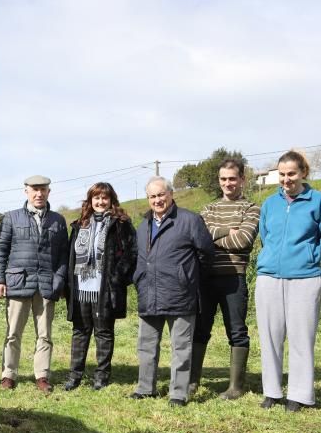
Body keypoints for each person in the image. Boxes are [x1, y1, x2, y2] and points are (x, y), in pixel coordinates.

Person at [255, 150, 321, 412]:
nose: (286, 179)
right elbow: (265, 236)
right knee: (270, 336)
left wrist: (308, 257)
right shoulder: (269, 204)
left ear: (303, 173)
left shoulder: (319, 201)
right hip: (269, 277)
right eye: (282, 174)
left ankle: (300, 394)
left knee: (301, 337)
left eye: (291, 174)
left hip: (305, 277)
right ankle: (272, 391)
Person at [130, 176, 214, 406]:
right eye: (152, 196)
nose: (157, 200)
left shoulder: (190, 220)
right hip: (149, 293)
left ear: (171, 194)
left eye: (161, 195)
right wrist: (139, 278)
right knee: (146, 345)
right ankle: (146, 387)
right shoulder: (143, 225)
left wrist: (188, 278)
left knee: (181, 347)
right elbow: (139, 257)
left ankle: (178, 392)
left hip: (180, 293)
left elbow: (206, 253)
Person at [190, 159, 261, 399]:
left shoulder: (251, 208)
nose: (228, 183)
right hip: (205, 278)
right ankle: (192, 382)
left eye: (232, 178)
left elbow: (243, 241)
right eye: (223, 179)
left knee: (237, 331)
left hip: (234, 278)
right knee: (200, 330)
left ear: (242, 179)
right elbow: (200, 237)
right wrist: (225, 232)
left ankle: (236, 387)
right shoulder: (208, 209)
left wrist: (214, 236)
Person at [0, 174, 69, 392]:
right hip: (18, 282)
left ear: (48, 192)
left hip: (46, 284)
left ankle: (42, 376)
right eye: (34, 189)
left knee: (45, 334)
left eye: (43, 189)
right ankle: (8, 374)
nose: (39, 193)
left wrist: (60, 280)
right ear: (26, 191)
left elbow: (63, 255)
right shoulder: (11, 218)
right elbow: (2, 252)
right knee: (13, 332)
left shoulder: (58, 220)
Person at [63, 182, 136, 391]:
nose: (100, 201)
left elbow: (132, 252)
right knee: (80, 332)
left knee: (103, 333)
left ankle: (101, 377)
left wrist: (117, 276)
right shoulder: (79, 224)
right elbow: (71, 255)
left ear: (111, 200)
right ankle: (74, 376)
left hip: (105, 288)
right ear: (90, 200)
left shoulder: (120, 223)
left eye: (105, 198)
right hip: (80, 287)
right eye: (96, 198)